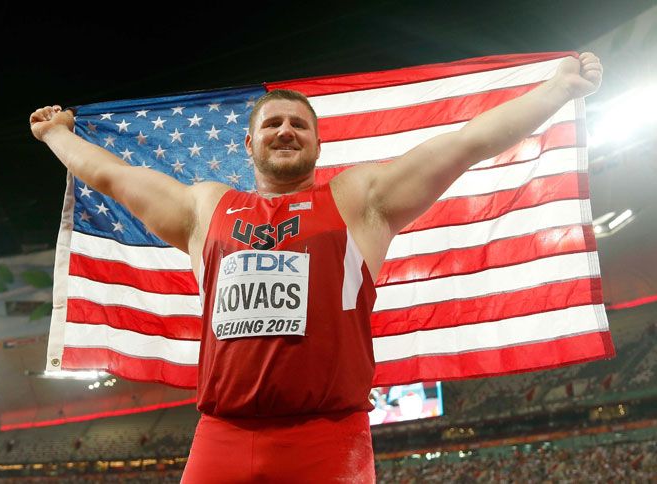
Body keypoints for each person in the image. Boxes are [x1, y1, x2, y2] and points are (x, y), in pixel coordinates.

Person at [30, 53, 602, 482]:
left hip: (329, 439)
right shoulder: (205, 208)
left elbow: (465, 144)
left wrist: (556, 90)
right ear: (248, 142)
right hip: (223, 436)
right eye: (274, 123)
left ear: (318, 146)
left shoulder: (360, 200)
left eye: (299, 125)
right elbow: (112, 178)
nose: (286, 131)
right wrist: (57, 135)